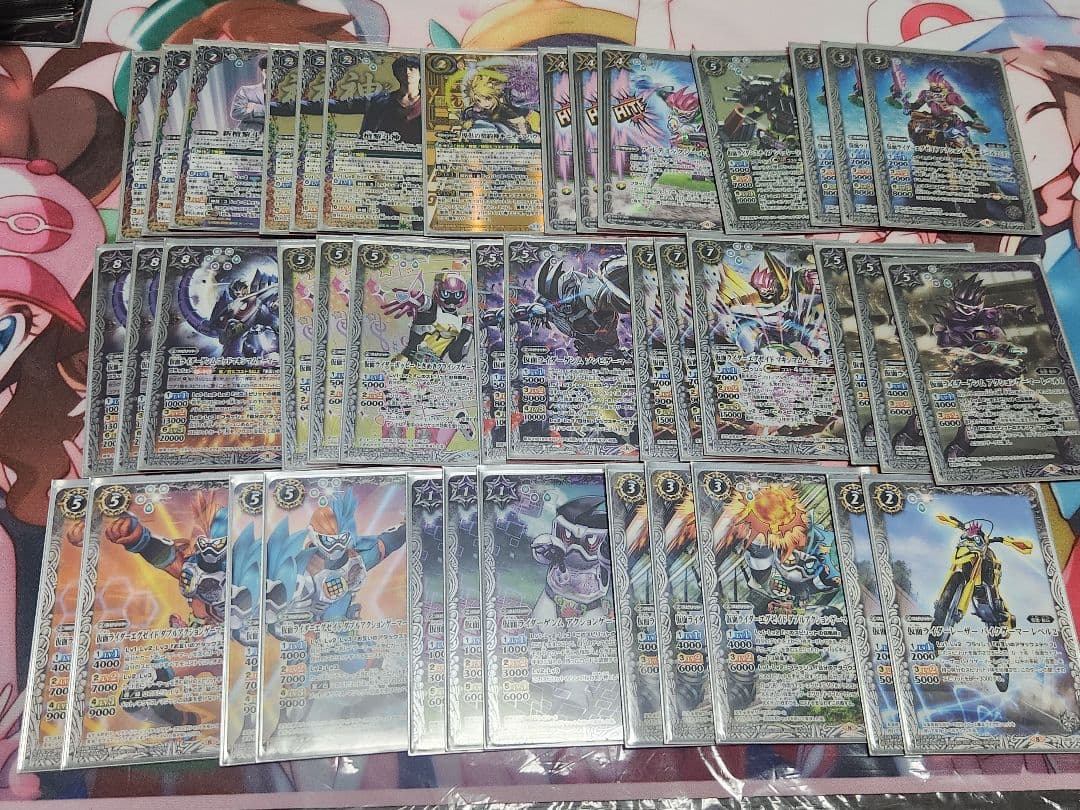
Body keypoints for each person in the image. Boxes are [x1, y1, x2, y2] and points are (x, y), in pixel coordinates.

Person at [322, 54, 422, 144]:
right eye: (402, 68)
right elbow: (340, 105)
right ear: (396, 74)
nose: (407, 72)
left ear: (421, 74)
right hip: (380, 154)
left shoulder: (428, 103)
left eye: (412, 68)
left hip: (417, 156)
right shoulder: (379, 100)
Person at [230, 55, 267, 132]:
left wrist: (256, 109)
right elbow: (236, 113)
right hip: (249, 134)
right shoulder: (246, 90)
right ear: (264, 71)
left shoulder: (287, 94)